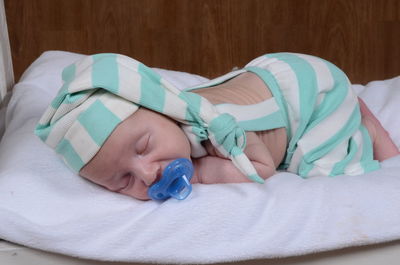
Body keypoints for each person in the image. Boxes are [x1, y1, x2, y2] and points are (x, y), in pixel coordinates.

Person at [35, 53, 400, 200]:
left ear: (163, 111)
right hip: (275, 72)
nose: (147, 174)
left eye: (144, 147)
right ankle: (358, 109)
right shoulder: (164, 118)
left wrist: (202, 171)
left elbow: (263, 169)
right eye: (122, 181)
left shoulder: (224, 130)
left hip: (311, 95)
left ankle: (362, 122)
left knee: (319, 169)